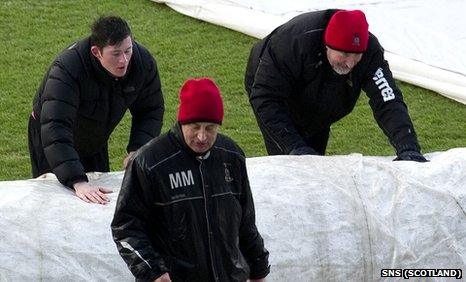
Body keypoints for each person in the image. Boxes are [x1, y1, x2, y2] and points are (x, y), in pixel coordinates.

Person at [111, 78, 270, 282]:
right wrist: (154, 272)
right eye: (195, 127)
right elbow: (126, 226)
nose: (202, 137)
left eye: (210, 128)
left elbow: (245, 220)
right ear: (182, 121)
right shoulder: (150, 162)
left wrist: (259, 269)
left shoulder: (231, 156)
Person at [245, 9, 427, 162]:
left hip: (324, 95)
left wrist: (408, 147)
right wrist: (294, 147)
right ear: (327, 45)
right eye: (345, 54)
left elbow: (387, 98)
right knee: (292, 161)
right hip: (270, 84)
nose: (350, 63)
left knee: (315, 152)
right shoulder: (291, 43)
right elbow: (266, 98)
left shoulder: (370, 52)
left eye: (357, 56)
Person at [28, 16, 164, 204]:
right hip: (50, 139)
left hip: (95, 137)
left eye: (128, 50)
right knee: (58, 203)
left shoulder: (142, 63)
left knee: (100, 198)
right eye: (116, 54)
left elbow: (150, 109)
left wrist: (137, 150)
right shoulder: (68, 69)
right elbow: (55, 127)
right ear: (96, 52)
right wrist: (77, 180)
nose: (124, 60)